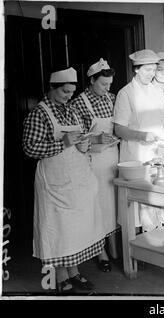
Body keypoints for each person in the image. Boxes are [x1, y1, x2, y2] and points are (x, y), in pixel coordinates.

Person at [22, 67, 104, 293]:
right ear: (52, 88)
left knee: (74, 229)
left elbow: (80, 138)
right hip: (55, 181)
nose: (69, 96)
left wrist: (83, 143)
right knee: (58, 229)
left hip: (76, 178)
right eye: (64, 92)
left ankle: (74, 272)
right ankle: (60, 276)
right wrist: (64, 143)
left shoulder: (72, 110)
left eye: (71, 92)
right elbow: (30, 148)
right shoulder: (40, 113)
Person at [114, 49, 164, 232]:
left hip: (157, 155)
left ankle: (159, 246)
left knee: (159, 204)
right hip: (136, 156)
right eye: (148, 70)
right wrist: (142, 135)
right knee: (139, 208)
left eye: (153, 69)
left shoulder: (156, 91)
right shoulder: (126, 93)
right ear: (136, 69)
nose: (152, 74)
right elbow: (119, 129)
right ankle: (140, 251)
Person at [69, 58, 119, 273]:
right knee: (97, 206)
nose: (107, 89)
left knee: (114, 204)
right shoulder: (79, 103)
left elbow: (119, 126)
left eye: (109, 84)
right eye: (103, 84)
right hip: (92, 161)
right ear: (91, 80)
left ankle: (116, 249)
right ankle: (101, 252)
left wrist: (114, 137)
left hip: (113, 158)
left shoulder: (112, 98)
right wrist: (98, 140)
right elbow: (75, 139)